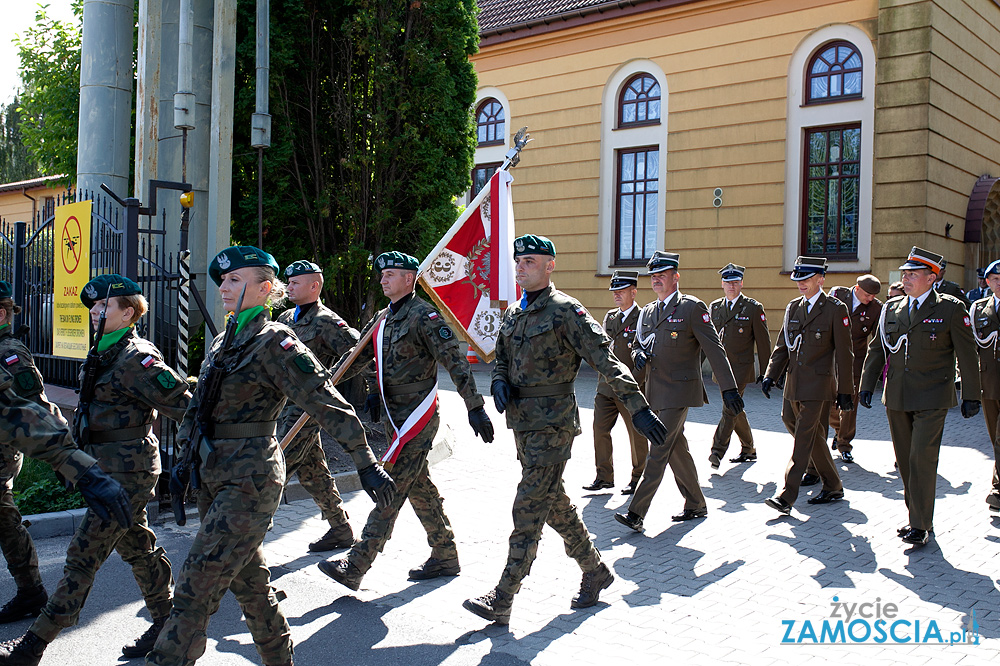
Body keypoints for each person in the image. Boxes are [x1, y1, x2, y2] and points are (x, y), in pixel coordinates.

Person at [145, 246, 395, 666]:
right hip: (214, 474)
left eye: (234, 280)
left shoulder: (274, 343)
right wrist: (185, 461)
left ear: (264, 288)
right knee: (251, 585)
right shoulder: (226, 339)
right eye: (222, 281)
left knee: (195, 585)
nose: (223, 287)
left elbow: (326, 402)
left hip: (249, 479)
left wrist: (365, 462)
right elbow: (200, 406)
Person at [463, 235, 666, 625]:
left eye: (531, 261)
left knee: (527, 507)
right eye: (518, 261)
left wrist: (638, 408)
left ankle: (503, 596)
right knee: (553, 502)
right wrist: (499, 382)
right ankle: (595, 570)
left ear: (550, 265)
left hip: (553, 425)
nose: (521, 267)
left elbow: (608, 363)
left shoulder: (566, 311)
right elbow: (501, 358)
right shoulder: (513, 314)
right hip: (522, 424)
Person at [0, 275, 192, 665]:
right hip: (102, 466)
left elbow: (186, 407)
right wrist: (69, 459)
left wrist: (193, 458)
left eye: (105, 307)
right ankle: (169, 623)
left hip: (130, 470)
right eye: (93, 308)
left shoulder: (137, 357)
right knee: (138, 547)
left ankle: (33, 645)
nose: (95, 314)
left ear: (130, 312)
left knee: (82, 557)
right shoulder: (103, 352)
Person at [317, 251, 493, 591]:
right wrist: (327, 385)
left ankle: (356, 564)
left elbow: (454, 360)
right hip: (392, 415)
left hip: (417, 414)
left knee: (392, 484)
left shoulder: (423, 316)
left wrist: (474, 405)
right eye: (382, 274)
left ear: (410, 279)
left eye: (391, 274)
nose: (383, 279)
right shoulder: (383, 319)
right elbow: (359, 358)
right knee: (418, 485)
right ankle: (445, 554)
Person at [858, 247, 980, 547]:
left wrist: (972, 395)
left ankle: (920, 524)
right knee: (905, 460)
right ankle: (918, 516)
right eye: (905, 274)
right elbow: (878, 348)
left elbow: (967, 354)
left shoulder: (950, 308)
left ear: (931, 278)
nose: (906, 278)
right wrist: (865, 384)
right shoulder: (894, 307)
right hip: (897, 395)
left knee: (921, 459)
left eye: (913, 274)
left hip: (933, 395)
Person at [614, 251, 743, 532]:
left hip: (680, 391)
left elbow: (715, 350)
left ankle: (636, 512)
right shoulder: (648, 312)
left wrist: (729, 389)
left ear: (676, 276)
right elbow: (639, 343)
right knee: (676, 449)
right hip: (654, 391)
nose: (657, 280)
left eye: (662, 275)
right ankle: (695, 503)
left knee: (658, 449)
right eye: (654, 276)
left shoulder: (692, 308)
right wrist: (638, 355)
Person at [276, 260, 369, 552]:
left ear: (314, 286)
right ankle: (340, 529)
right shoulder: (286, 318)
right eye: (288, 282)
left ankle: (242, 539)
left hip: (307, 409)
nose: (289, 286)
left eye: (295, 283)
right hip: (284, 405)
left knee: (274, 470)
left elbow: (360, 354)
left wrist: (325, 384)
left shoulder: (327, 321)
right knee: (312, 469)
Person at [762, 256, 852, 516]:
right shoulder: (793, 307)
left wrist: (846, 391)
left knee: (803, 438)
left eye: (806, 279)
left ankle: (786, 496)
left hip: (819, 384)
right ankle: (833, 484)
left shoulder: (835, 309)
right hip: (794, 382)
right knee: (792, 423)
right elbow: (783, 344)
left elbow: (845, 354)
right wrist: (770, 374)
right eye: (798, 279)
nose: (800, 284)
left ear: (820, 280)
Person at [0, 283, 48, 626]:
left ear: (1, 313)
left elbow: (37, 407)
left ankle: (31, 591)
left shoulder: (10, 352)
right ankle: (30, 591)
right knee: (4, 521)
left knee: (5, 519)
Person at [584, 270, 648, 495]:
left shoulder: (644, 318)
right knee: (599, 429)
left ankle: (638, 477)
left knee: (636, 434)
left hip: (631, 387)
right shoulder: (610, 317)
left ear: (634, 292)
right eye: (614, 291)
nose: (616, 295)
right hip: (606, 386)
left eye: (621, 291)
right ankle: (604, 476)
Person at [708, 263, 770, 467]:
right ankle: (749, 448)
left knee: (729, 408)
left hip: (741, 369)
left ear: (741, 283)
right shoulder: (715, 307)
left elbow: (763, 342)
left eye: (735, 282)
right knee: (736, 408)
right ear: (722, 284)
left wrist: (767, 372)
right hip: (721, 370)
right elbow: (707, 340)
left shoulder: (753, 308)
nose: (731, 286)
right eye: (728, 282)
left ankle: (717, 451)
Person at [826, 275, 882, 463]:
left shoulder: (876, 308)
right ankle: (838, 429)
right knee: (828, 402)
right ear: (857, 288)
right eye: (867, 295)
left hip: (855, 362)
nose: (870, 299)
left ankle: (844, 445)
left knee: (850, 405)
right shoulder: (837, 295)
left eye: (873, 296)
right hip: (830, 358)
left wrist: (873, 369)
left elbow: (876, 340)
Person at [970, 259, 1000, 514]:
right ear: (987, 283)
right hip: (989, 384)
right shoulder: (978, 309)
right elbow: (971, 349)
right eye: (996, 280)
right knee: (995, 439)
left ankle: (998, 490)